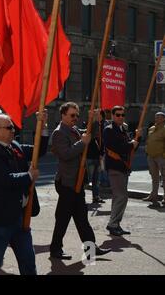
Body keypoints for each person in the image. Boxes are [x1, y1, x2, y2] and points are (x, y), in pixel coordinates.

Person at [0, 111, 48, 275]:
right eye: (9, 127)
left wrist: (43, 126)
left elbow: (39, 150)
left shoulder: (15, 145)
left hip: (21, 215)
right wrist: (29, 175)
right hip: (2, 217)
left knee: (28, 262)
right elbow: (5, 179)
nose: (13, 130)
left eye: (13, 127)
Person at [50, 102, 111, 260]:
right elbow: (66, 154)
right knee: (63, 218)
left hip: (77, 181)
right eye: (72, 115)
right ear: (63, 115)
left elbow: (88, 133)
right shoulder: (59, 133)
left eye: (77, 115)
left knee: (81, 217)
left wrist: (95, 120)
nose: (75, 118)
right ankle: (55, 249)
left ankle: (91, 249)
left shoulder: (74, 129)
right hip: (67, 182)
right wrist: (82, 143)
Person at [104, 106, 140, 236]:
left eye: (122, 115)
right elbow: (116, 147)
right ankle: (112, 224)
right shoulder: (109, 130)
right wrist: (131, 144)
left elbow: (131, 150)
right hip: (115, 167)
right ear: (113, 116)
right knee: (121, 196)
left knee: (118, 197)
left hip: (123, 167)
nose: (120, 117)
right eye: (118, 115)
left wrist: (137, 138)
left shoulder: (122, 129)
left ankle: (116, 224)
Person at [143, 111, 165, 207]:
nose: (156, 119)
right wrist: (147, 151)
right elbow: (148, 140)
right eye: (156, 117)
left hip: (161, 156)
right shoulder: (151, 128)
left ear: (164, 119)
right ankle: (153, 195)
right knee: (154, 177)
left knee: (164, 177)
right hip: (151, 156)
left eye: (159, 117)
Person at [87, 110, 107, 204]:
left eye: (98, 115)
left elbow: (103, 143)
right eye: (95, 115)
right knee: (87, 179)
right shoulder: (90, 125)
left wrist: (102, 154)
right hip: (90, 156)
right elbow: (90, 136)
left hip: (99, 156)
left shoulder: (104, 126)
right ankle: (79, 197)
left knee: (96, 179)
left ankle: (96, 197)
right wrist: (93, 121)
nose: (97, 116)